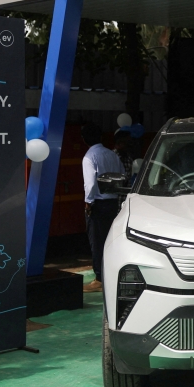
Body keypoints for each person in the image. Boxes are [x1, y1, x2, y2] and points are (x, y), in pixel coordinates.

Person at [81, 122, 126, 293]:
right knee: (110, 241)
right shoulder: (112, 155)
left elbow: (90, 183)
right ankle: (111, 275)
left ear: (84, 139)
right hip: (113, 202)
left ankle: (99, 278)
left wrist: (88, 202)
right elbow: (123, 175)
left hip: (98, 204)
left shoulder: (89, 157)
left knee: (97, 242)